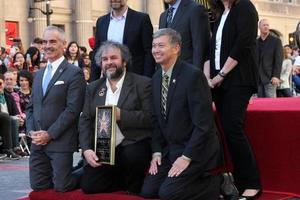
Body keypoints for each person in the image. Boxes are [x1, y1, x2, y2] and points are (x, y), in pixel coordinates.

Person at [141, 28, 221, 200]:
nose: (155, 50)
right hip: (170, 150)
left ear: (176, 48)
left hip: (196, 150)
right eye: (154, 46)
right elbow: (156, 121)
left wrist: (187, 157)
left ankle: (217, 182)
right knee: (148, 191)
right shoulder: (155, 79)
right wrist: (156, 152)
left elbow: (204, 125)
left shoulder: (193, 76)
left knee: (168, 193)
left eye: (161, 45)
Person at [205, 0, 261, 198]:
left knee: (232, 128)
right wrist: (209, 78)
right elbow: (212, 50)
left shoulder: (244, 7)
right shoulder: (220, 14)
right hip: (219, 82)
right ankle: (237, 181)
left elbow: (243, 43)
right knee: (227, 131)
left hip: (238, 79)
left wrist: (221, 75)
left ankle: (252, 183)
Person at [79, 41, 152, 194]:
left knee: (132, 160)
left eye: (114, 58)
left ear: (124, 61)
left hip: (132, 144)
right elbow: (85, 120)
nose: (109, 62)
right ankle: (119, 178)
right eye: (105, 59)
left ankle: (130, 180)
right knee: (90, 186)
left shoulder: (142, 84)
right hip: (104, 148)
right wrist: (86, 149)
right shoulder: (93, 88)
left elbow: (150, 117)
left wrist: (121, 115)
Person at [26, 26, 86, 192]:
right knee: (38, 185)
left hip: (60, 141)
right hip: (38, 142)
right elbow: (31, 107)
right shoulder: (38, 74)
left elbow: (73, 110)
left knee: (62, 185)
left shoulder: (74, 73)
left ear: (63, 44)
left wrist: (49, 134)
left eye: (52, 41)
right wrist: (32, 133)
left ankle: (87, 171)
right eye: (44, 42)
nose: (47, 45)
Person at [91, 0, 155, 81]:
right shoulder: (101, 22)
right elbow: (97, 52)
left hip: (135, 80)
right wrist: (94, 82)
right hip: (109, 80)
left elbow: (149, 52)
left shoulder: (141, 19)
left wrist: (147, 81)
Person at [159, 0, 210, 69]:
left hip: (188, 72)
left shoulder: (195, 9)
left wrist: (195, 75)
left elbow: (200, 48)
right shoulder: (163, 16)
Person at [257, 19, 283, 97]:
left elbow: (278, 60)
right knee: (259, 105)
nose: (266, 27)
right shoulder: (255, 42)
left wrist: (276, 76)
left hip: (270, 78)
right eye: (264, 25)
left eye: (267, 25)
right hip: (258, 79)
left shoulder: (276, 41)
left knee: (270, 104)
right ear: (259, 27)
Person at [0, 74, 21, 159]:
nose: (0, 86)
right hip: (3, 121)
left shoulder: (8, 96)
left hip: (6, 122)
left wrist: (19, 118)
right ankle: (7, 148)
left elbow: (15, 112)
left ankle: (15, 148)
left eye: (1, 84)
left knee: (14, 119)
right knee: (5, 116)